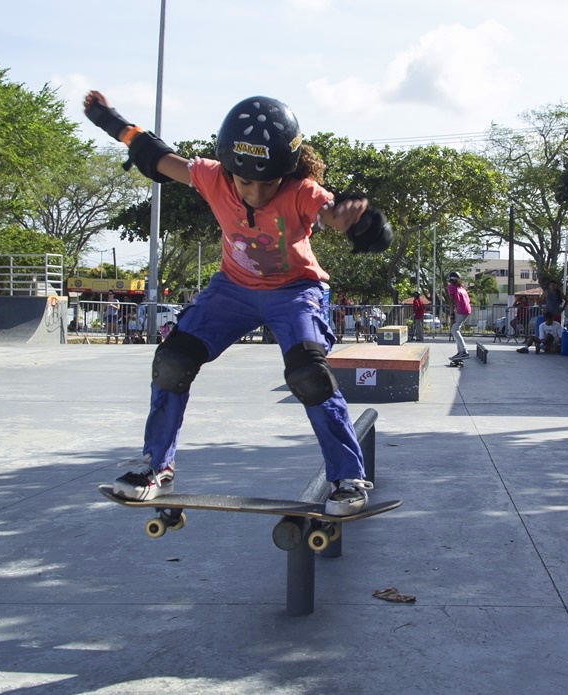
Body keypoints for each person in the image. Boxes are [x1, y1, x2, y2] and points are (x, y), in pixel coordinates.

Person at [84, 90, 392, 515]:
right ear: (230, 170)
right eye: (245, 182)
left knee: (308, 374)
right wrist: (107, 119)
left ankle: (348, 478)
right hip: (232, 289)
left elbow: (331, 213)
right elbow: (155, 154)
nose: (256, 193)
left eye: (268, 183)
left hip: (296, 292)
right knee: (173, 360)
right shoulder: (212, 177)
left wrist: (358, 224)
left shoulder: (302, 191)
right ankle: (155, 466)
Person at [446, 271, 471, 360]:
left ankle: (464, 351)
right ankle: (460, 352)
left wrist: (451, 313)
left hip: (461, 310)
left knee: (454, 329)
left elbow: (452, 300)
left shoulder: (451, 287)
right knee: (457, 330)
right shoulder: (462, 288)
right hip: (467, 310)